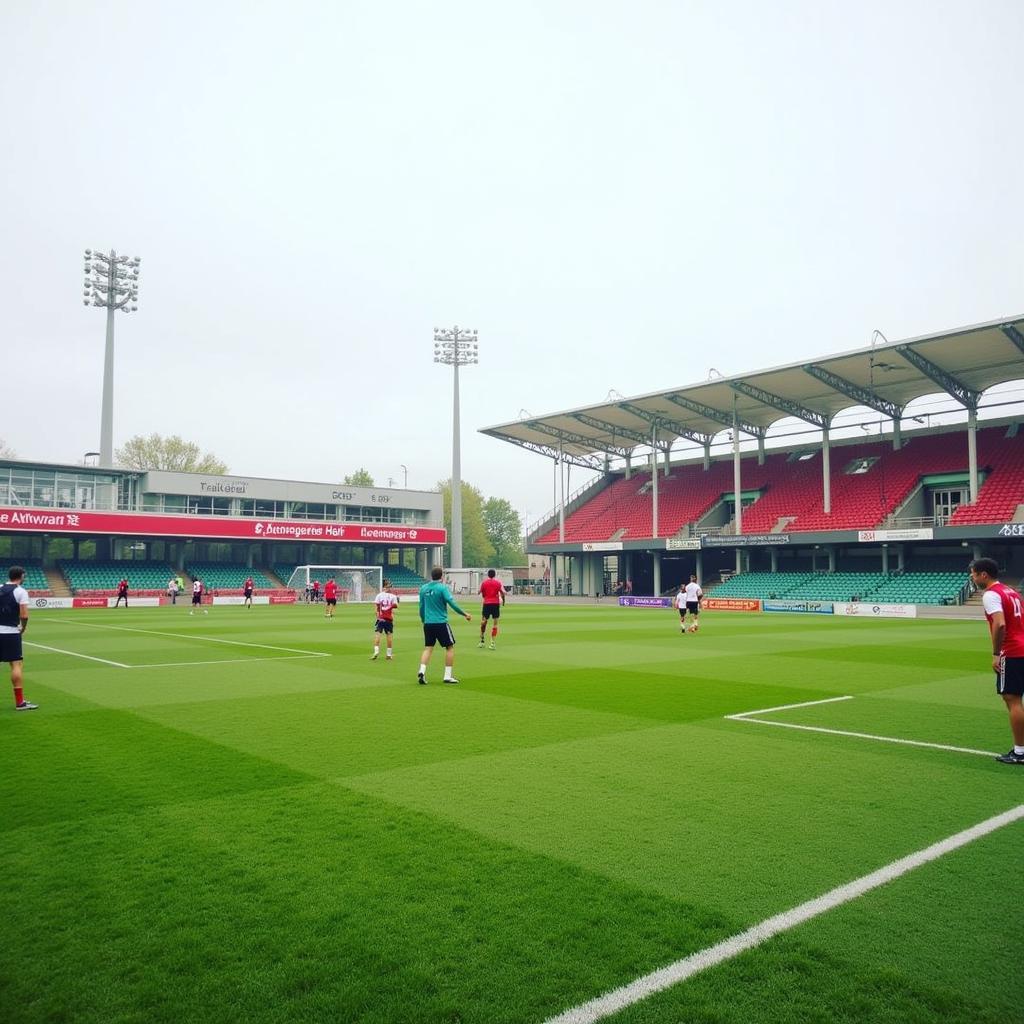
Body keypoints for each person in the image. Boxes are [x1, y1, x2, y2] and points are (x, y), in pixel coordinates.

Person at [969, 558, 1024, 765]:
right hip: (1022, 647)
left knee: (1013, 699)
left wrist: (996, 653)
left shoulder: (991, 594)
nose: (972, 578)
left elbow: (1000, 624)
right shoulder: (1011, 591)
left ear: (984, 575)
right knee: (1016, 698)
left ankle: (1020, 752)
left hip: (1011, 651)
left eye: (974, 574)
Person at [417, 566, 472, 685]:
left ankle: (422, 671)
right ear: (441, 576)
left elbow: (421, 607)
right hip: (440, 623)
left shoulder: (423, 588)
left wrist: (423, 619)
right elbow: (452, 603)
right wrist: (464, 614)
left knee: (428, 648)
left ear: (431, 576)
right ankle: (447, 676)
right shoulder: (443, 588)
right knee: (450, 647)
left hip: (428, 623)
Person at [1, 567, 36, 710]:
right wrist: (24, 627)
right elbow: (24, 615)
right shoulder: (21, 591)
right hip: (11, 632)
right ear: (21, 576)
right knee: (16, 665)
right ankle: (19, 702)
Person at [478, 569, 506, 650]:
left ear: (488, 575)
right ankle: (492, 643)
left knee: (483, 622)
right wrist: (503, 601)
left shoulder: (484, 583)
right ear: (494, 575)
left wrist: (484, 595)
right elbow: (503, 593)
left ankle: (482, 641)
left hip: (486, 603)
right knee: (495, 624)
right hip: (495, 604)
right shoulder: (498, 583)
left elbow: (480, 592)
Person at [371, 578, 399, 660]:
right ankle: (388, 655)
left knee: (378, 634)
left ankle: (376, 651)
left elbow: (376, 607)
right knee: (389, 635)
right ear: (390, 588)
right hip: (389, 619)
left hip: (381, 618)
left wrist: (378, 617)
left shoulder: (379, 595)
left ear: (384, 588)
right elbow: (395, 607)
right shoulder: (393, 596)